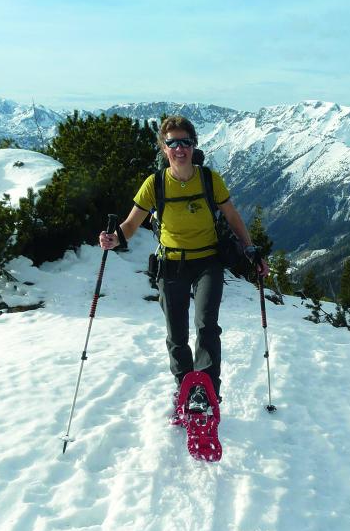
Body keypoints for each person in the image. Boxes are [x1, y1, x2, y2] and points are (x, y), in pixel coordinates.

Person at [99, 115, 268, 404]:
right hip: (171, 264)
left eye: (185, 142)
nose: (180, 149)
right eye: (172, 143)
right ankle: (185, 386)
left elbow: (232, 217)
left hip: (208, 263)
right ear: (164, 149)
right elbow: (131, 223)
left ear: (194, 145)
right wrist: (115, 238)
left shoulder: (209, 180)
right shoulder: (154, 184)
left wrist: (250, 248)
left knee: (207, 325)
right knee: (176, 333)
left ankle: (206, 390)